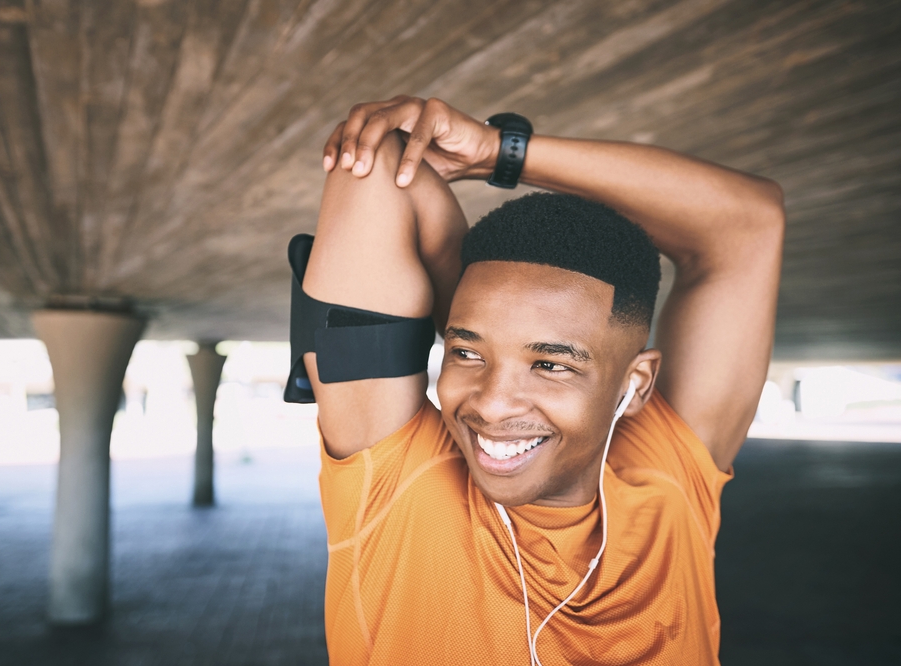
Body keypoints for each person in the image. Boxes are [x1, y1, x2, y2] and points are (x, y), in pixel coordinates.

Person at [292, 95, 784, 665]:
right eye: (465, 353)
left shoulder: (669, 479)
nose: (493, 405)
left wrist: (501, 153)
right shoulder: (399, 487)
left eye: (551, 364)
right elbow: (377, 165)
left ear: (637, 383)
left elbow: (750, 222)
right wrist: (491, 295)